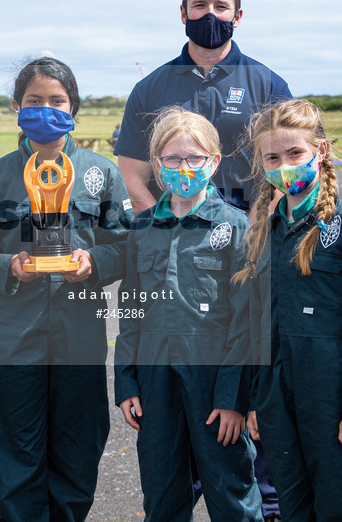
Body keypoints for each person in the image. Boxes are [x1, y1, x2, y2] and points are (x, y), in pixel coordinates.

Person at [0, 57, 132, 521]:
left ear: (74, 106)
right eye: (34, 101)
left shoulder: (103, 173)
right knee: (13, 460)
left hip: (81, 341)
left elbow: (126, 247)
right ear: (16, 106)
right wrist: (9, 267)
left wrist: (94, 263)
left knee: (77, 457)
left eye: (56, 101)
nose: (45, 109)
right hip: (16, 343)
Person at [235, 100, 342, 521]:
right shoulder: (266, 228)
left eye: (295, 154)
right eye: (273, 157)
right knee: (291, 507)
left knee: (336, 508)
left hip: (332, 400)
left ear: (320, 151)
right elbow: (260, 322)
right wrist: (256, 401)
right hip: (276, 402)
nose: (285, 165)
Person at [115, 108, 261, 521]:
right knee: (161, 496)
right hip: (155, 380)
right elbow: (130, 308)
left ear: (214, 161)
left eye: (195, 158)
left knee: (231, 494)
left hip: (214, 383)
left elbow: (246, 319)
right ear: (157, 165)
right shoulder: (141, 229)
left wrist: (234, 399)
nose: (184, 167)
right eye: (173, 159)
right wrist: (126, 380)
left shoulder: (236, 228)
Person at [114, 0, 292, 215]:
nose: (210, 15)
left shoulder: (269, 85)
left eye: (221, 7)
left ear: (237, 17)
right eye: (200, 5)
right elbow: (132, 177)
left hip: (247, 231)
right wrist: (162, 230)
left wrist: (254, 232)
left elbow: (285, 171)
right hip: (170, 239)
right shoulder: (148, 89)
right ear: (184, 14)